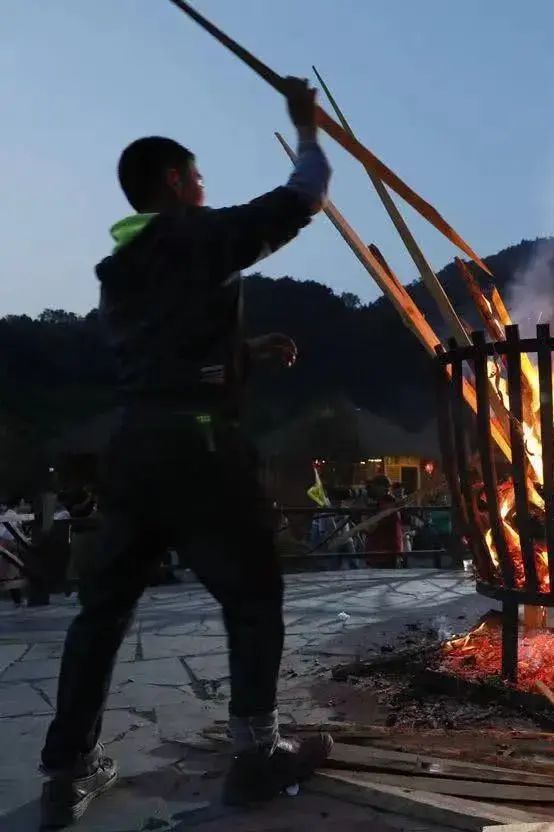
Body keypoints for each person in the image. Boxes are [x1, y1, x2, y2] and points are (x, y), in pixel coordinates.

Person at [37, 79, 334, 828]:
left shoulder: (122, 269)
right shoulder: (190, 234)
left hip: (134, 448)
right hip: (198, 449)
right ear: (173, 182)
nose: (204, 187)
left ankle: (66, 767)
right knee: (254, 595)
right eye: (197, 176)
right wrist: (306, 128)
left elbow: (171, 350)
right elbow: (305, 196)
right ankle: (257, 753)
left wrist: (246, 351)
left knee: (101, 613)